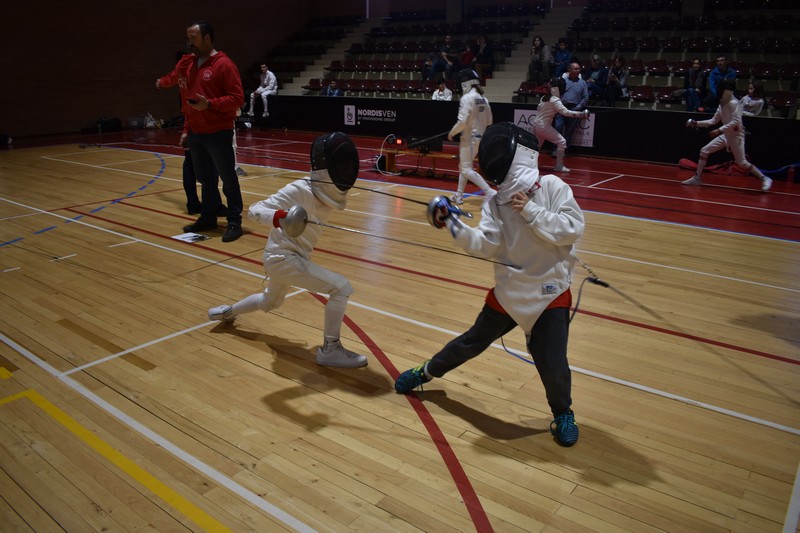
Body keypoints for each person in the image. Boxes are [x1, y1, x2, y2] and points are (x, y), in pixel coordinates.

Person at [395, 122, 586, 448]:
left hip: (549, 292)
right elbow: (485, 244)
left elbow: (571, 228)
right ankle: (426, 371)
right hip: (510, 292)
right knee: (471, 342)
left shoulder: (552, 186)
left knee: (553, 362)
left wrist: (531, 210)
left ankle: (563, 413)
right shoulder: (495, 203)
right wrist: (452, 223)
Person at [207, 132, 368, 368]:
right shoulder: (299, 189)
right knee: (341, 288)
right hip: (281, 258)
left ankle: (227, 312)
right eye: (341, 164)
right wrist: (281, 217)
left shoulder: (328, 189)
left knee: (270, 301)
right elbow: (254, 210)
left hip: (294, 257)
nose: (345, 169)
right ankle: (330, 349)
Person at [180, 21, 245, 242]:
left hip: (218, 133)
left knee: (228, 179)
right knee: (206, 180)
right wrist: (187, 129)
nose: (191, 43)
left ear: (207, 38)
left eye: (194, 38)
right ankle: (208, 218)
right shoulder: (191, 65)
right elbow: (189, 101)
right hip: (197, 134)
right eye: (189, 38)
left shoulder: (224, 65)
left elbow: (238, 99)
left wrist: (210, 104)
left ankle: (234, 222)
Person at [155, 51, 226, 216]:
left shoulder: (181, 66)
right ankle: (212, 205)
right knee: (207, 166)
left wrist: (160, 82)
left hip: (190, 115)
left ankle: (195, 204)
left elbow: (170, 78)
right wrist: (187, 129)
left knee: (191, 164)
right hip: (198, 117)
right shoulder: (193, 66)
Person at [682, 79, 772, 192]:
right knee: (704, 150)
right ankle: (697, 178)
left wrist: (719, 130)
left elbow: (736, 121)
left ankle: (765, 178)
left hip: (736, 136)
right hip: (726, 135)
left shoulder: (735, 103)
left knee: (742, 163)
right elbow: (713, 120)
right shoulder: (722, 104)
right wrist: (696, 123)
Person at [447, 69, 495, 204]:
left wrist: (452, 132)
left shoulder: (467, 98)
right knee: (465, 167)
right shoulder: (484, 99)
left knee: (465, 168)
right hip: (480, 139)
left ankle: (489, 191)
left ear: (465, 83)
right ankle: (459, 195)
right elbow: (489, 121)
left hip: (469, 138)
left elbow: (462, 121)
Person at [534, 78, 590, 173]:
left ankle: (529, 166)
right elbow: (565, 112)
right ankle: (559, 166)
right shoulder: (555, 100)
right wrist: (580, 114)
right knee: (562, 142)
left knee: (536, 147)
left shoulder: (544, 97)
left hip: (536, 124)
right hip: (543, 126)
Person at [555, 62, 589, 153]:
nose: (578, 70)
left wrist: (578, 107)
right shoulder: (563, 81)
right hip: (562, 108)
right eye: (576, 69)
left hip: (574, 109)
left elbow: (585, 97)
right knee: (558, 127)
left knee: (569, 131)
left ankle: (563, 150)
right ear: (569, 71)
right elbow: (556, 94)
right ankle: (556, 149)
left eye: (579, 68)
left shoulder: (582, 83)